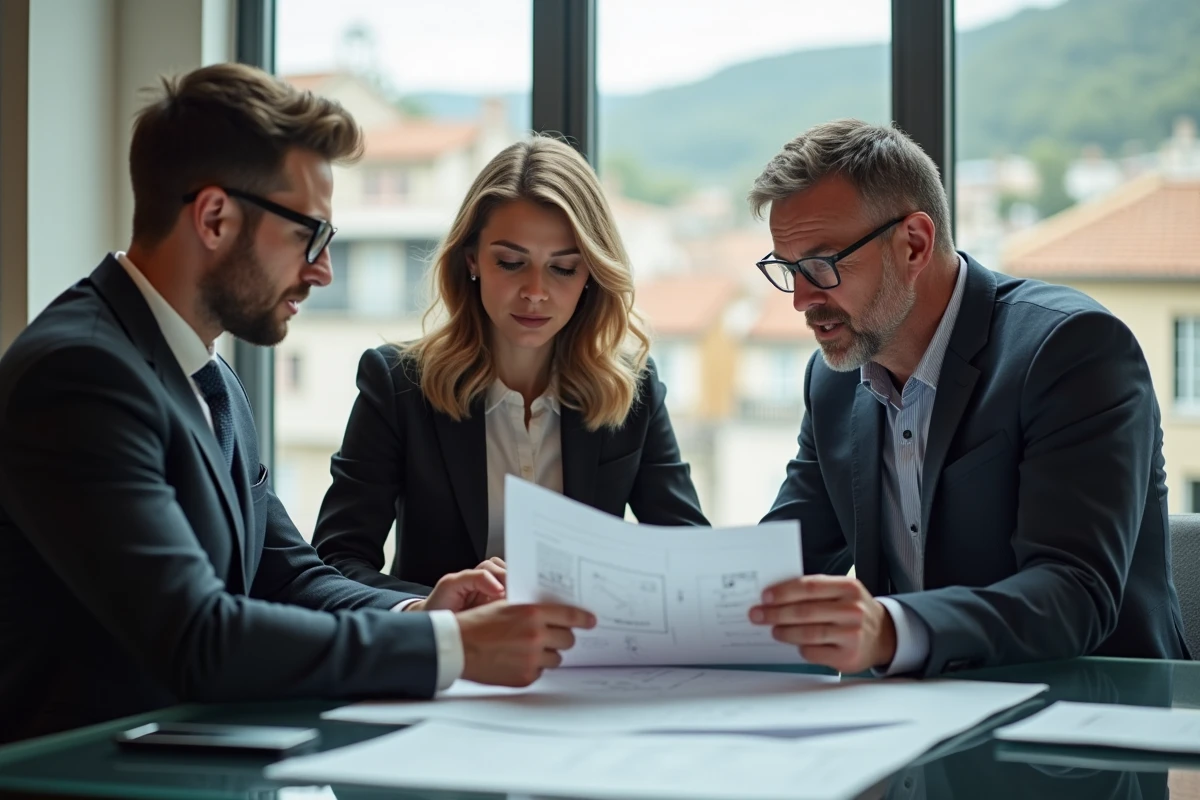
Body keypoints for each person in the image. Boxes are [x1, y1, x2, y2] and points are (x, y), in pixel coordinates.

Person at [0, 64, 594, 745]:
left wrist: (424, 616)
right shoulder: (81, 375)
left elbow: (287, 575)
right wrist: (454, 650)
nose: (323, 270)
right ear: (215, 218)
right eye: (308, 235)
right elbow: (197, 637)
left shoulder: (208, 377)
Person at [745, 119, 1189, 676]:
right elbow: (784, 560)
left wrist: (891, 629)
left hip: (1091, 708)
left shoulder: (1071, 349)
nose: (801, 299)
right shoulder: (834, 379)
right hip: (918, 713)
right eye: (788, 269)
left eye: (822, 265)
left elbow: (1073, 593)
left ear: (914, 244)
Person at [312, 135, 708, 593]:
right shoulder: (397, 384)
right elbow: (336, 562)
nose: (535, 292)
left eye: (563, 268)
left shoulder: (632, 386)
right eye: (511, 262)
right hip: (448, 637)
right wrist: (434, 607)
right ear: (472, 260)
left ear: (590, 275)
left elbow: (690, 557)